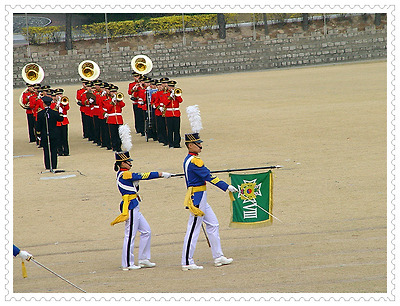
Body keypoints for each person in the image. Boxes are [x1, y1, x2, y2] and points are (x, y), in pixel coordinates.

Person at [181, 132, 238, 270]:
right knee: (193, 229)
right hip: (197, 198)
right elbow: (209, 176)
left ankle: (218, 256)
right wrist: (226, 186)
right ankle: (187, 262)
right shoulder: (195, 161)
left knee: (213, 224)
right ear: (190, 145)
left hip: (201, 197)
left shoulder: (191, 159)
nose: (200, 145)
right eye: (197, 143)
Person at [111, 151, 172, 270]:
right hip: (130, 206)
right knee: (130, 236)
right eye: (128, 162)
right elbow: (144, 175)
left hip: (135, 205)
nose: (130, 164)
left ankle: (144, 258)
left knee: (146, 231)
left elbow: (134, 187)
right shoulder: (125, 174)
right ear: (122, 163)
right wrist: (161, 174)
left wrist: (136, 185)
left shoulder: (125, 174)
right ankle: (127, 263)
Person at [36, 96, 64, 171]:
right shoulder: (54, 112)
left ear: (44, 104)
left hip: (45, 134)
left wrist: (38, 134)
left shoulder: (40, 113)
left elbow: (38, 126)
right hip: (54, 133)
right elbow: (61, 119)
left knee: (46, 150)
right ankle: (54, 165)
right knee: (54, 150)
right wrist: (60, 112)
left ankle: (48, 165)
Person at [163, 80, 183, 148]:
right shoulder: (165, 94)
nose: (172, 88)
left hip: (176, 113)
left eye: (173, 86)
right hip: (169, 113)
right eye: (170, 86)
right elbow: (165, 103)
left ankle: (177, 143)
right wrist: (170, 97)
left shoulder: (176, 93)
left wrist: (176, 96)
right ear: (168, 86)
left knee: (176, 129)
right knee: (170, 130)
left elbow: (180, 101)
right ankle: (170, 144)